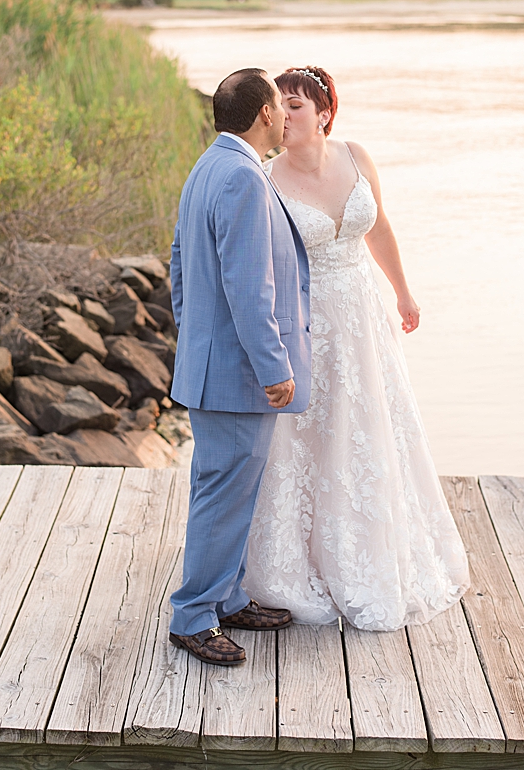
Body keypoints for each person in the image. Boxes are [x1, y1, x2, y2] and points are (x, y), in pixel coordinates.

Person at [243, 65, 469, 631]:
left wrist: (404, 293)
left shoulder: (356, 156)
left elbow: (380, 228)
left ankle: (379, 547)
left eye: (295, 106)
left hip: (364, 317)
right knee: (311, 436)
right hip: (308, 323)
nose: (283, 116)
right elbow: (260, 268)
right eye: (278, 106)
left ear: (323, 113)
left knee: (373, 429)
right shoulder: (265, 179)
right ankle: (303, 559)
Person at [168, 68, 310, 667]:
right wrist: (273, 367)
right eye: (278, 106)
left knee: (227, 489)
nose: (283, 115)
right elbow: (251, 288)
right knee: (221, 494)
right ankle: (194, 616)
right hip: (236, 375)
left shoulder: (207, 167)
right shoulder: (244, 179)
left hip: (212, 365)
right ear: (261, 115)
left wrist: (194, 336)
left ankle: (226, 597)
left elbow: (178, 266)